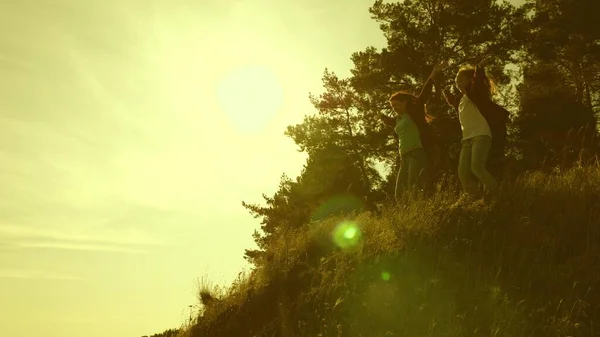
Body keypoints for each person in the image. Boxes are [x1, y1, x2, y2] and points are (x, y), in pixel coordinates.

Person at [379, 62, 446, 201]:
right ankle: (408, 214)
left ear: (405, 102)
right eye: (392, 107)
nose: (394, 108)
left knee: (414, 186)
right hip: (404, 157)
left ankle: (420, 212)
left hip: (417, 153)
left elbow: (424, 93)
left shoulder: (414, 112)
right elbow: (391, 123)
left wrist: (433, 74)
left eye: (396, 105)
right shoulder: (399, 119)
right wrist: (381, 117)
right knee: (399, 194)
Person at [441, 63, 510, 198]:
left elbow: (478, 81)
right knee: (463, 172)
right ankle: (475, 198)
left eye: (461, 80)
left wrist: (479, 68)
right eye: (456, 82)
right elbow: (456, 106)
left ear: (470, 80)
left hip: (481, 135)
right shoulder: (462, 99)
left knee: (477, 167)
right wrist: (446, 94)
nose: (458, 84)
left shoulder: (476, 93)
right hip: (467, 140)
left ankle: (498, 194)